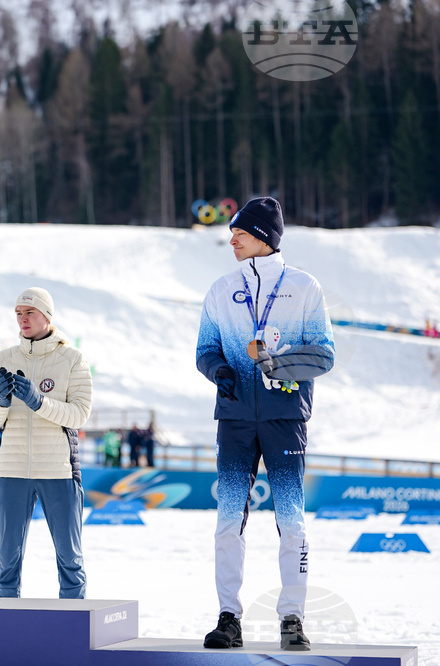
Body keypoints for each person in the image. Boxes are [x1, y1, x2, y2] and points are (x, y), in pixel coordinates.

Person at [196, 197, 334, 652]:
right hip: (234, 420)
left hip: (285, 417)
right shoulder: (220, 289)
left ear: (263, 237)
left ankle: (292, 618)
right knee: (227, 520)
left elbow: (323, 354)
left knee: (290, 520)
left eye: (239, 232)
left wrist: (275, 365)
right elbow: (205, 351)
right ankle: (228, 617)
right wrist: (220, 371)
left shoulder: (304, 287)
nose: (230, 239)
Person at [0, 287, 92, 599]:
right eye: (18, 313)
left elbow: (80, 415)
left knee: (70, 559)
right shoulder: (3, 359)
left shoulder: (72, 359)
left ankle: (73, 627)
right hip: (12, 471)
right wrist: (2, 402)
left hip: (58, 471)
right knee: (7, 560)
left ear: (47, 315)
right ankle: (7, 626)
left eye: (29, 312)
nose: (22, 319)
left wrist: (38, 402)